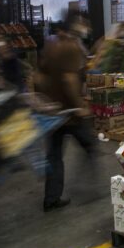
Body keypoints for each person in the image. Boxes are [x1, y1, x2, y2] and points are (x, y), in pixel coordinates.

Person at [36, 19, 93, 212]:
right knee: (90, 146)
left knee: (54, 156)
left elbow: (39, 77)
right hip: (70, 115)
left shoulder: (50, 47)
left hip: (54, 114)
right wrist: (79, 105)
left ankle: (51, 198)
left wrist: (45, 101)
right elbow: (69, 80)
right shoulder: (70, 48)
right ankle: (89, 186)